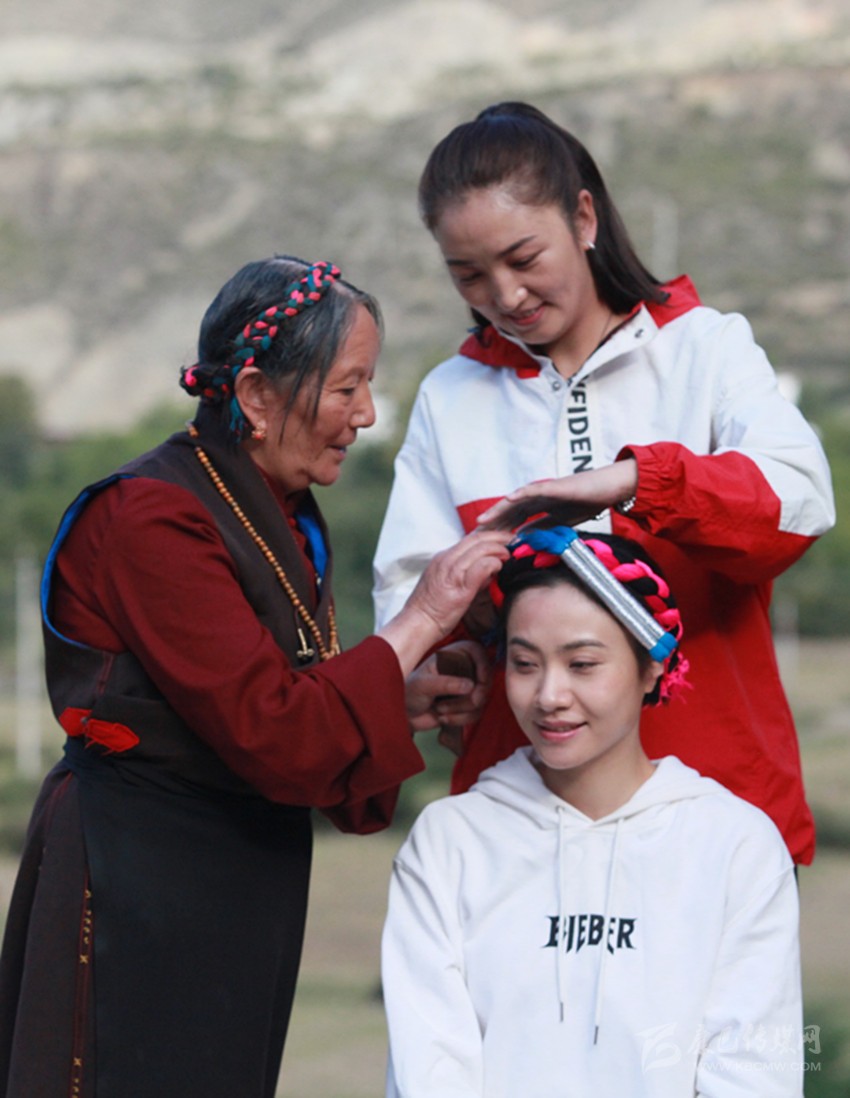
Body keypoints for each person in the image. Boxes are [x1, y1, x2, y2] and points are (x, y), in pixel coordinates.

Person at [0, 254, 510, 1098]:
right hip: (138, 871)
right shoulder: (150, 516)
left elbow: (286, 698)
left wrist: (393, 699)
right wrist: (422, 618)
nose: (365, 414)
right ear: (257, 396)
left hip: (236, 876)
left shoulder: (283, 515)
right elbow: (272, 727)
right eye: (346, 388)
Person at [372, 100, 835, 864]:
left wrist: (636, 482)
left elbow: (800, 503)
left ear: (584, 218)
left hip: (716, 823)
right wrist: (444, 663)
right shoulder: (449, 395)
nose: (505, 296)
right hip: (518, 834)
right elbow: (409, 593)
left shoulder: (704, 348)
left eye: (524, 258)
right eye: (470, 275)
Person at [382, 529, 803, 1098]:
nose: (549, 695)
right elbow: (430, 1065)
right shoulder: (449, 841)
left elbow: (754, 1069)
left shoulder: (735, 845)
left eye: (582, 664)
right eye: (525, 664)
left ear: (653, 666)